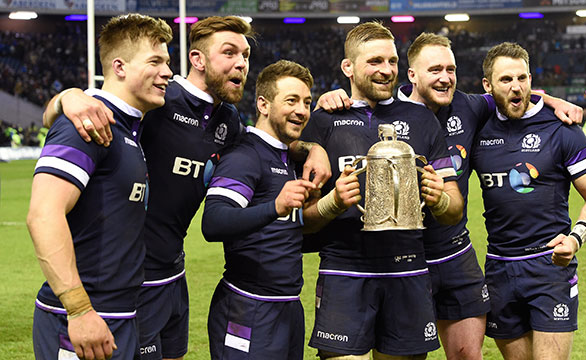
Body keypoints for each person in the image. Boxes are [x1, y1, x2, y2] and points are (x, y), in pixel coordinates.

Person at [42, 16, 331, 360]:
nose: (242, 63)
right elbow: (90, 110)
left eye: (245, 55)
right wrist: (68, 97)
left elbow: (265, 142)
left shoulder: (229, 121)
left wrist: (314, 149)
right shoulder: (159, 99)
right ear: (197, 60)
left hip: (174, 274)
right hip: (130, 281)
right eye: (229, 53)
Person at [316, 32, 584, 360]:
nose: (445, 78)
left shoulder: (468, 106)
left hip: (456, 255)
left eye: (451, 69)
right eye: (435, 70)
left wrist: (555, 101)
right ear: (411, 75)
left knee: (468, 355)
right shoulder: (387, 112)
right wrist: (330, 101)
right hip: (405, 261)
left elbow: (512, 88)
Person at [302, 21, 464, 360]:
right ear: (348, 67)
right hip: (344, 269)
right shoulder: (323, 121)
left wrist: (440, 198)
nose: (386, 70)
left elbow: (454, 212)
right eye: (375, 61)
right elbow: (304, 223)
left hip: (407, 269)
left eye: (391, 61)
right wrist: (332, 202)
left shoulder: (422, 121)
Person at [27, 14, 173, 360]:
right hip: (82, 319)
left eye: (167, 62)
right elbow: (43, 215)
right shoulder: (87, 124)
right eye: (155, 61)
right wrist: (78, 310)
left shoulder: (126, 126)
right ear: (119, 67)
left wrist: (65, 96)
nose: (168, 72)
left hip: (119, 313)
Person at [201, 60, 360, 360]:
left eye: (307, 102)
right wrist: (275, 206)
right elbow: (213, 222)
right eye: (291, 100)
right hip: (248, 307)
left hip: (287, 306)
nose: (301, 110)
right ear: (263, 104)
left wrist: (319, 156)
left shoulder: (288, 158)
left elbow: (293, 227)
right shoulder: (245, 156)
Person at [472, 42, 586, 360]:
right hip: (499, 269)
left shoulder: (562, 129)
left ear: (532, 80)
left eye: (522, 78)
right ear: (487, 86)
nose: (516, 87)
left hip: (549, 267)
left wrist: (576, 239)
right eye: (506, 80)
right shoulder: (477, 127)